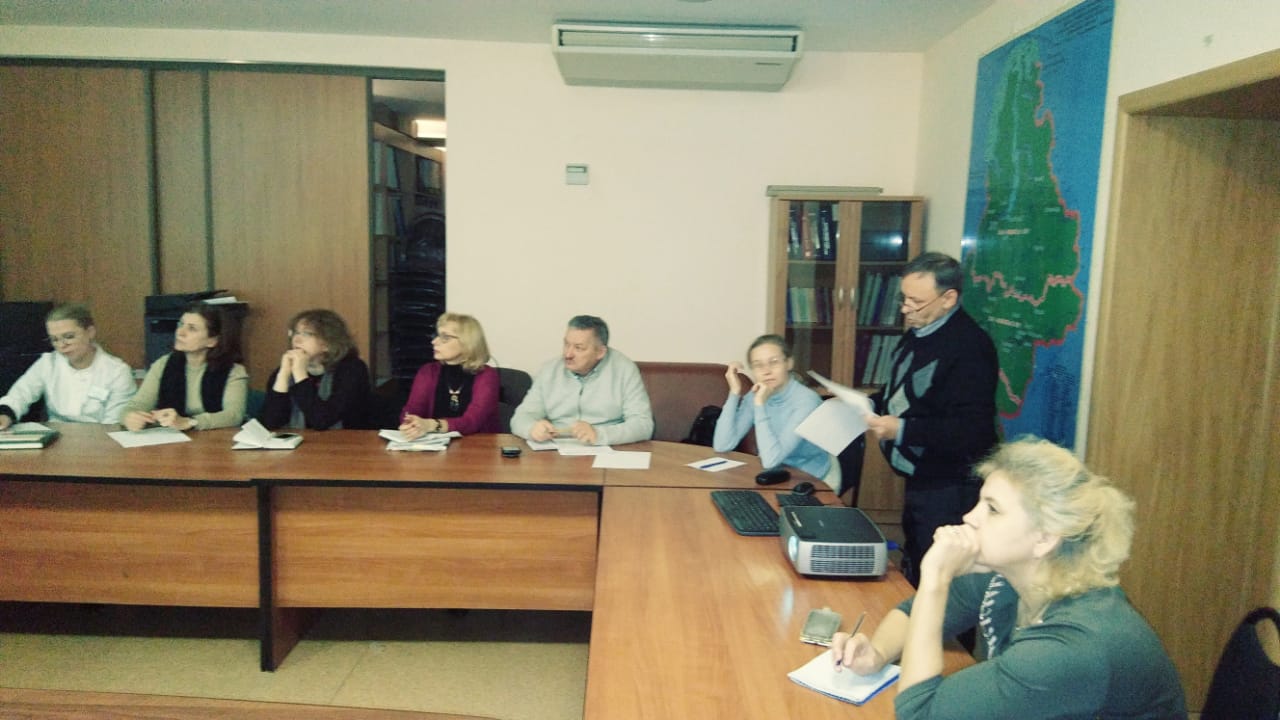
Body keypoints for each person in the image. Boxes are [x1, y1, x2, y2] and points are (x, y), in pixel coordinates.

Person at [830, 438, 1187, 719]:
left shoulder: (1073, 647)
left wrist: (936, 579)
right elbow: (911, 613)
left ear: (1045, 538)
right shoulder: (1011, 576)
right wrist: (878, 653)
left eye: (993, 509)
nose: (970, 517)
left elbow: (919, 714)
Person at [865, 251, 999, 586]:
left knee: (941, 573)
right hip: (920, 478)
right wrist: (868, 403)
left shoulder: (970, 347)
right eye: (904, 298)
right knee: (917, 556)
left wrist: (902, 429)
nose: (905, 309)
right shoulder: (919, 330)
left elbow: (972, 429)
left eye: (916, 301)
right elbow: (905, 391)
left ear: (948, 298)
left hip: (951, 485)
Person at [510, 315, 653, 446]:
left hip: (608, 450)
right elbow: (520, 418)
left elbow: (643, 425)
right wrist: (531, 429)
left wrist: (599, 435)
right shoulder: (549, 370)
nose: (568, 354)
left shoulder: (624, 369)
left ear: (600, 352)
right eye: (566, 344)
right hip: (557, 453)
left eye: (578, 348)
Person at [0, 303, 136, 429]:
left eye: (69, 336)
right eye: (54, 339)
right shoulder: (48, 363)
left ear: (90, 332)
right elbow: (20, 394)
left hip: (99, 439)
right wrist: (5, 415)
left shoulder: (117, 371)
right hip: (55, 436)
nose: (61, 345)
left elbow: (113, 424)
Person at [712, 334, 829, 479]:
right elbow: (722, 445)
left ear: (789, 363)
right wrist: (734, 392)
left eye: (774, 362)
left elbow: (771, 460)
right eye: (758, 365)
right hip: (774, 472)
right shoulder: (755, 396)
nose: (766, 371)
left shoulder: (806, 401)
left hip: (810, 475)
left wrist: (760, 405)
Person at [122, 302, 248, 431]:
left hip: (216, 440)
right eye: (180, 324)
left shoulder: (233, 371)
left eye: (192, 328)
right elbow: (138, 404)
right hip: (173, 440)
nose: (180, 333)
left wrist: (190, 422)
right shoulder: (164, 364)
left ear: (212, 341)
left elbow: (233, 415)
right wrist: (129, 417)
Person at [259, 309, 370, 430]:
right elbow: (270, 423)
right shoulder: (286, 370)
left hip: (347, 439)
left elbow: (322, 420)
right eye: (296, 333)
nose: (297, 339)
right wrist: (283, 375)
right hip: (299, 439)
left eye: (307, 334)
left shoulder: (352, 369)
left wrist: (300, 375)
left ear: (327, 343)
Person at [398, 312, 500, 437]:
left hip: (477, 444)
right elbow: (413, 409)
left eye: (445, 337)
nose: (434, 341)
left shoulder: (487, 376)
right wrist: (410, 423)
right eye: (436, 335)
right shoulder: (427, 372)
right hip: (434, 444)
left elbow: (472, 422)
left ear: (467, 342)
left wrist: (431, 425)